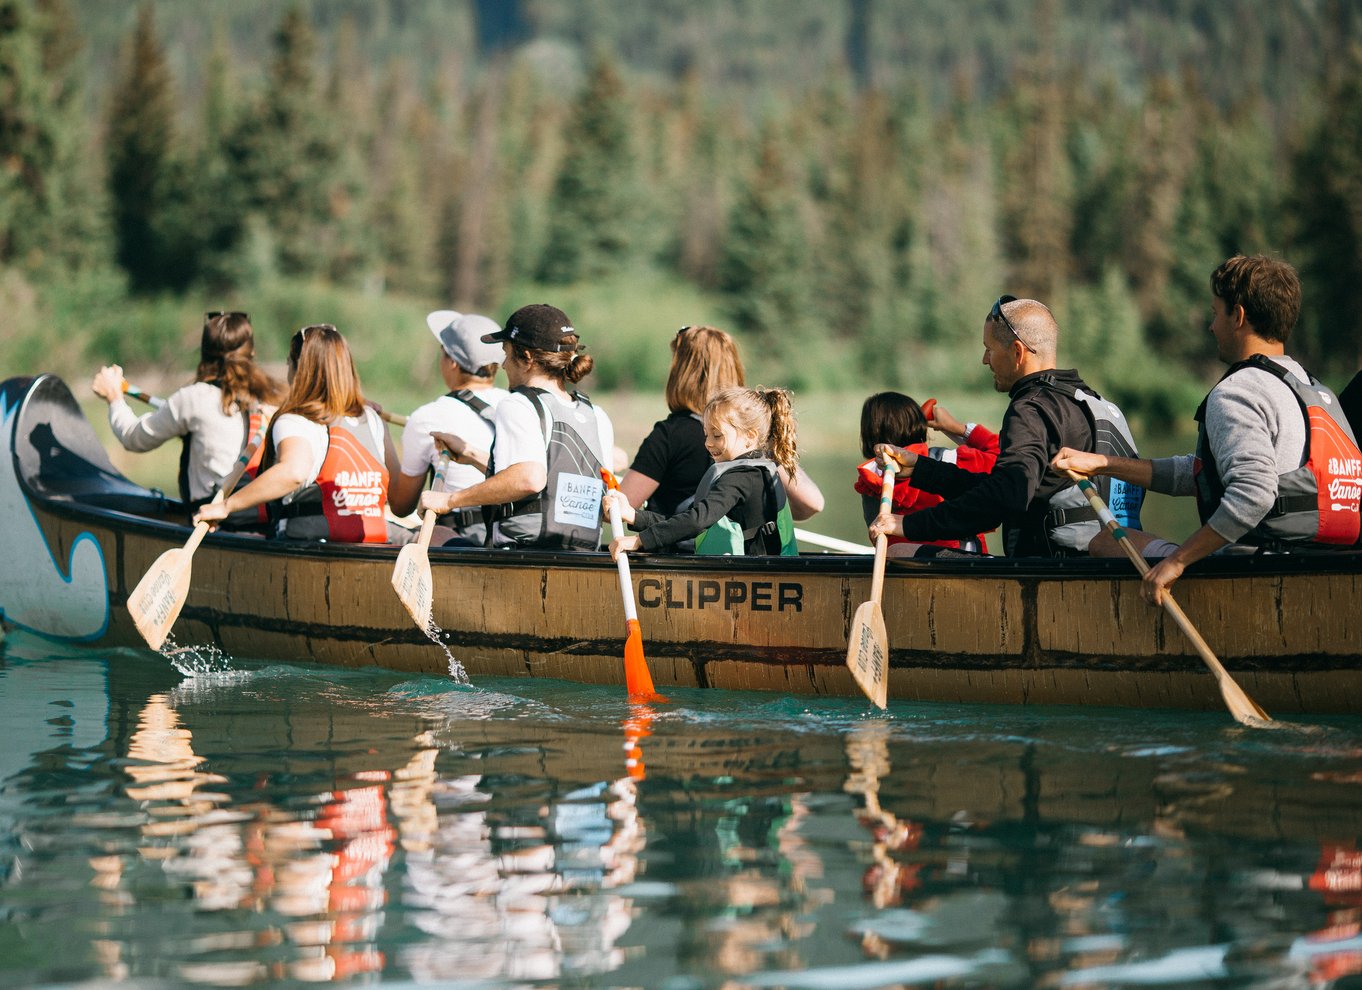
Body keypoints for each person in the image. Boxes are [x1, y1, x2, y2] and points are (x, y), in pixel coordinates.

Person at [1053, 254, 1362, 604]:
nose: (1212, 326)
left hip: (1261, 574)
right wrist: (1104, 464)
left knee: (1106, 541)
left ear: (1239, 316)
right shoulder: (1314, 391)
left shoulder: (1239, 391)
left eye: (1216, 313)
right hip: (1334, 569)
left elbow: (1254, 494)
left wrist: (1176, 561)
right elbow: (1203, 474)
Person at [869, 295, 1142, 557]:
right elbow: (1005, 487)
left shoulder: (1030, 409)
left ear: (1017, 352)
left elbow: (1004, 498)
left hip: (1054, 571)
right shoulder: (1102, 406)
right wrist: (920, 469)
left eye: (989, 349)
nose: (985, 360)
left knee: (899, 552)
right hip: (1115, 566)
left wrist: (907, 525)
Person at [418, 303, 615, 550]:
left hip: (524, 554)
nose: (503, 366)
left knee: (437, 535)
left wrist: (449, 500)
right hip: (583, 555)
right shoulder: (596, 415)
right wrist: (473, 457)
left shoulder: (518, 404)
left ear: (527, 359)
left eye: (506, 353)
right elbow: (552, 482)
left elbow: (529, 479)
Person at [195, 324, 411, 544]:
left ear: (299, 370)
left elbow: (294, 472)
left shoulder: (294, 421)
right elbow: (402, 505)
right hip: (374, 545)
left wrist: (226, 506)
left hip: (312, 545)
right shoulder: (373, 419)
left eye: (289, 363)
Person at [620, 325, 824, 525]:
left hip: (681, 552)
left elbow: (620, 508)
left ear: (681, 374)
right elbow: (811, 504)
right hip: (739, 553)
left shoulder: (669, 434)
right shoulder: (750, 436)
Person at [91, 311, 285, 510]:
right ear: (251, 352)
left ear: (204, 353)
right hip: (266, 523)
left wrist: (114, 398)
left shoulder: (194, 398)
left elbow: (133, 438)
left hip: (212, 522)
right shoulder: (275, 397)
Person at [604, 385, 801, 557]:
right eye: (706, 434)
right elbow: (689, 519)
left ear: (750, 436)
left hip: (754, 578)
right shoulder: (754, 470)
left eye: (717, 435)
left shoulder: (741, 477)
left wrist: (640, 541)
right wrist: (633, 515)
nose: (708, 443)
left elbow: (696, 521)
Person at [389, 310, 510, 546]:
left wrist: (380, 434)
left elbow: (401, 505)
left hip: (460, 539)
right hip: (511, 532)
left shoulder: (427, 417)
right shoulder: (517, 406)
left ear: (452, 362)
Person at [854, 393, 999, 553]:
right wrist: (957, 428)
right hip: (959, 564)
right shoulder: (947, 461)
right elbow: (1007, 460)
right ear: (917, 427)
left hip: (900, 565)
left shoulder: (869, 480)